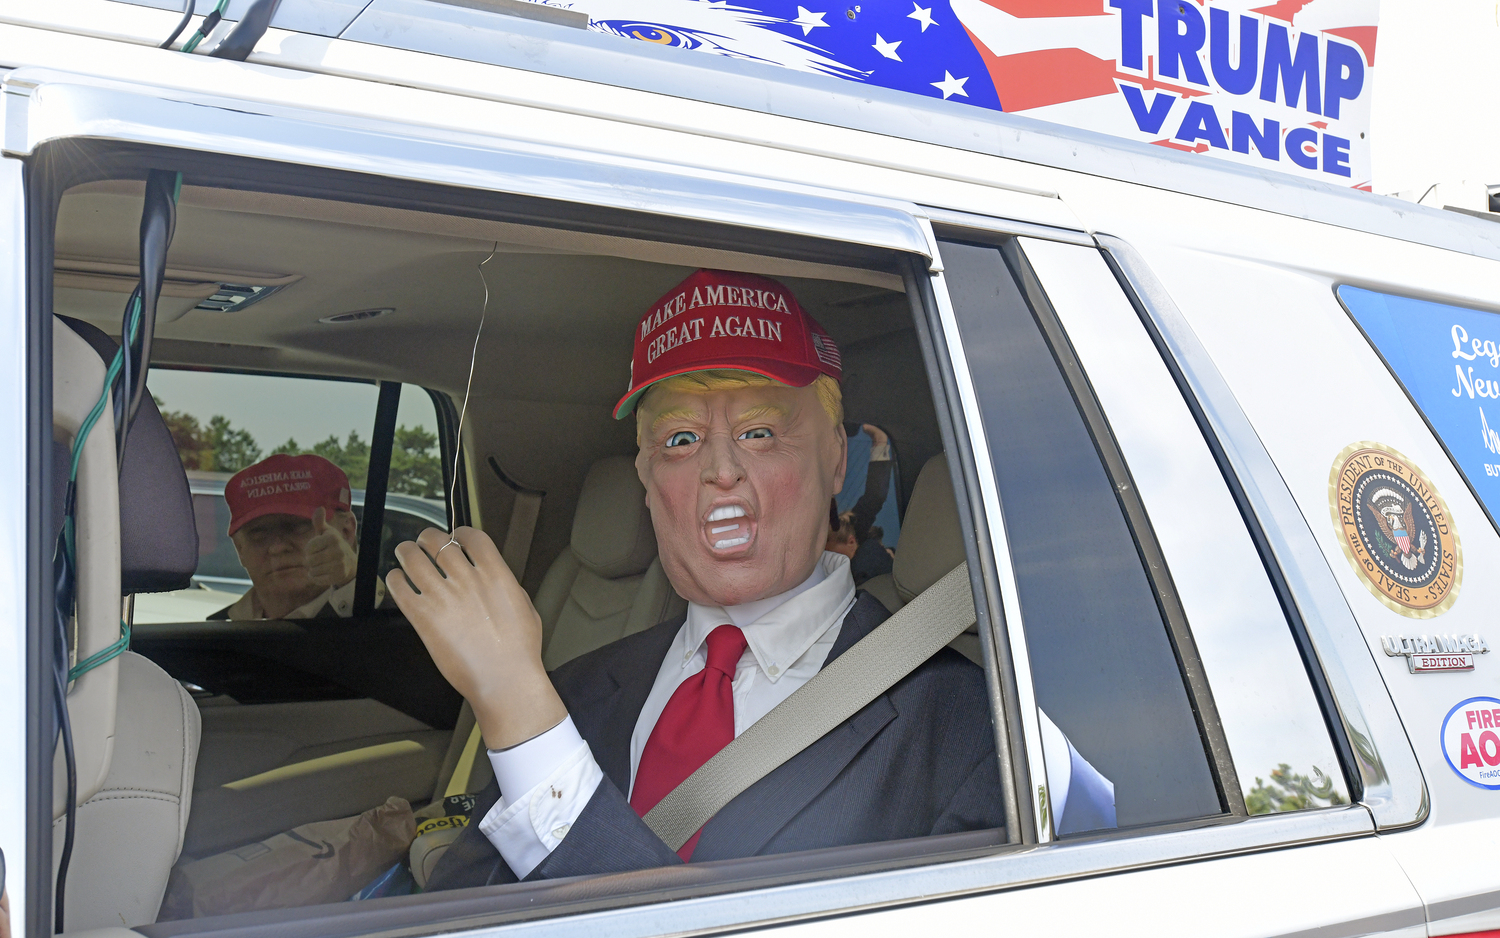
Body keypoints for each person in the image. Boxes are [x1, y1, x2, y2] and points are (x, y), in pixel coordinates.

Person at [390, 268, 1109, 890]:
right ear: (645, 478)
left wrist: (518, 711)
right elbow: (465, 922)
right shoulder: (577, 690)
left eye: (761, 432)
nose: (721, 470)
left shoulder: (979, 735)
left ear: (836, 460)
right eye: (680, 440)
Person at [210, 453, 365, 620]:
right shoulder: (213, 635)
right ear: (240, 549)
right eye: (258, 534)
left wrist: (354, 579)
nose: (278, 547)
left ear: (346, 531)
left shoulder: (386, 623)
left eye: (297, 527)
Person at [824, 423, 895, 585]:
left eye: (832, 556)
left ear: (851, 542)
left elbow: (875, 496)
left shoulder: (868, 560)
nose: (827, 563)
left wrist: (880, 442)